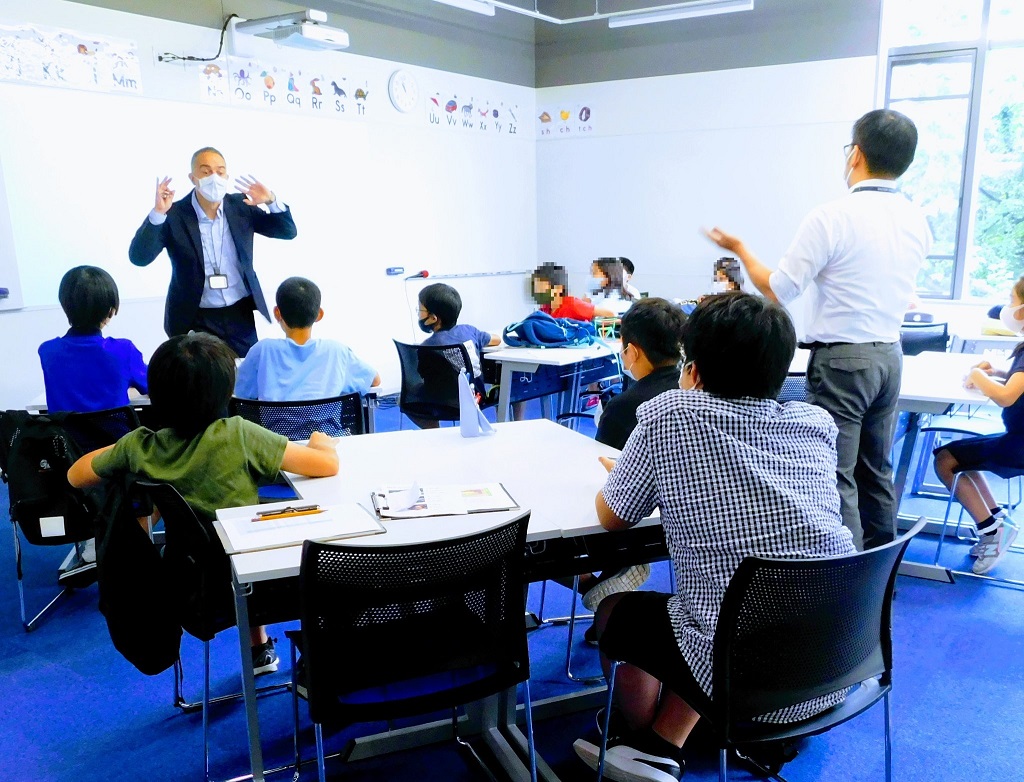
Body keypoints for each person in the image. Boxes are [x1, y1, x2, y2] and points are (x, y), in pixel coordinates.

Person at [573, 293, 856, 782]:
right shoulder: (816, 424)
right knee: (706, 603)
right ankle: (670, 737)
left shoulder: (670, 414)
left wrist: (638, 464)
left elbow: (613, 517)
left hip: (741, 666)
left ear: (694, 364)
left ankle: (647, 746)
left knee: (618, 610)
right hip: (838, 656)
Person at [705, 108, 932, 550]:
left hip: (844, 359)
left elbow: (779, 289)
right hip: (890, 354)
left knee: (835, 470)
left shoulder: (832, 216)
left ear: (856, 154)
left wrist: (740, 249)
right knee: (876, 469)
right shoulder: (917, 219)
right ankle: (879, 577)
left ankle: (843, 582)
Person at [67, 332, 339, 676]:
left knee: (217, 545)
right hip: (261, 582)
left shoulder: (140, 446)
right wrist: (321, 441)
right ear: (225, 391)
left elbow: (76, 476)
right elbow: (326, 466)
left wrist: (124, 456)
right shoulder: (239, 434)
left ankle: (258, 646)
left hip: (192, 586)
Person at [128, 146, 297, 358]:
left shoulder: (241, 206)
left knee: (246, 379)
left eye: (220, 171)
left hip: (239, 313)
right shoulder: (175, 214)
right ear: (193, 178)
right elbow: (139, 258)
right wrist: (158, 213)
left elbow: (288, 231)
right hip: (196, 316)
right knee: (202, 381)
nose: (214, 178)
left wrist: (271, 199)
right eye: (206, 172)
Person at [38, 265, 149, 586]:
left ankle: (92, 538)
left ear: (64, 306)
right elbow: (148, 386)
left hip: (72, 462)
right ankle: (137, 543)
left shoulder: (47, 352)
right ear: (111, 310)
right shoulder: (122, 351)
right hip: (120, 459)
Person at [933, 276, 1024, 575]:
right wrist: (995, 370)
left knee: (945, 460)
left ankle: (991, 532)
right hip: (1019, 439)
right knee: (961, 456)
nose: (1007, 308)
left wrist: (977, 373)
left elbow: (1007, 396)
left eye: (1011, 301)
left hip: (1019, 445)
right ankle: (997, 521)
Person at [235, 276, 380, 403]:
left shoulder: (262, 351)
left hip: (275, 434)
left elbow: (239, 389)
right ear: (319, 315)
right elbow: (375, 380)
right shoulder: (337, 351)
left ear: (277, 313)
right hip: (326, 434)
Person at [412, 282, 500, 429]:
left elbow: (422, 375)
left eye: (420, 310)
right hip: (476, 398)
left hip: (442, 403)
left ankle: (433, 430)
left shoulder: (427, 346)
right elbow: (496, 339)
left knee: (405, 398)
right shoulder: (469, 331)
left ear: (433, 318)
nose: (418, 313)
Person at [531, 262, 617, 322]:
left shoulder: (573, 304)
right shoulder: (544, 309)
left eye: (542, 287)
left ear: (559, 288)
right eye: (536, 287)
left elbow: (610, 314)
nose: (538, 292)